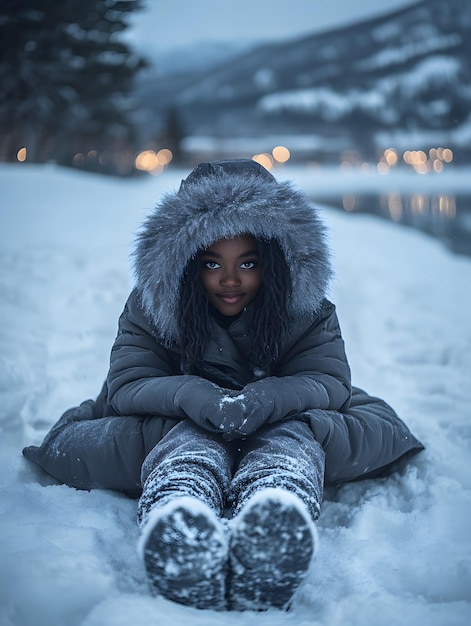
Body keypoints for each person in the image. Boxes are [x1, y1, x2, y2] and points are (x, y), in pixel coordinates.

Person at [23, 159, 424, 611]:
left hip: (278, 420)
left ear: (275, 261)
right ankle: (179, 514)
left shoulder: (306, 310)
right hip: (174, 424)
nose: (230, 280)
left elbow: (327, 380)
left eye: (248, 263)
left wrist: (267, 397)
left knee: (295, 435)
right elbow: (130, 383)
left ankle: (275, 512)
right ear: (185, 262)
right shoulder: (151, 308)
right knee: (185, 437)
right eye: (212, 263)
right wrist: (193, 396)